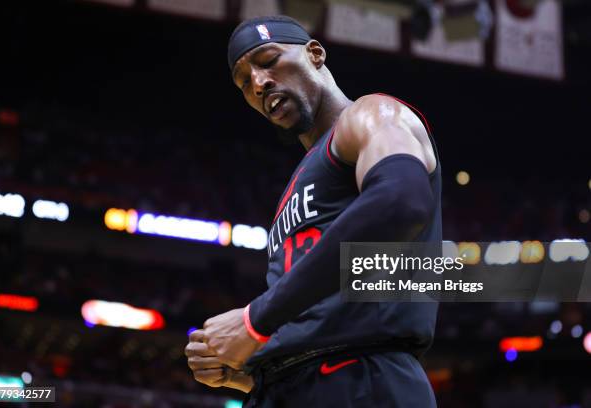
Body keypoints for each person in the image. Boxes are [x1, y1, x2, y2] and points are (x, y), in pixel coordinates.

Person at [185, 15, 442, 407]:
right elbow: (321, 305)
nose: (258, 83)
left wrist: (254, 321)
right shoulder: (300, 180)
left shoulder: (370, 116)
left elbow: (401, 201)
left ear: (315, 54)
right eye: (244, 82)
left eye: (269, 60)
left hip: (361, 378)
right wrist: (255, 369)